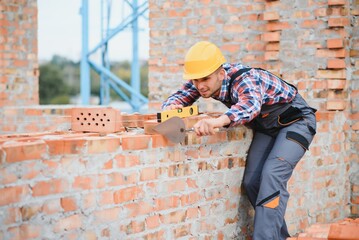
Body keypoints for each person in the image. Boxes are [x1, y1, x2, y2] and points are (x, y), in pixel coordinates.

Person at [161, 41, 317, 239]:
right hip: (267, 128)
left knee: (271, 176)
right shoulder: (204, 83)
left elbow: (250, 107)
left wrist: (217, 122)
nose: (200, 85)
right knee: (252, 181)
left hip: (296, 122)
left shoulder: (244, 78)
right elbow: (178, 98)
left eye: (205, 79)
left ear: (220, 73)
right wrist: (170, 111)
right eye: (195, 80)